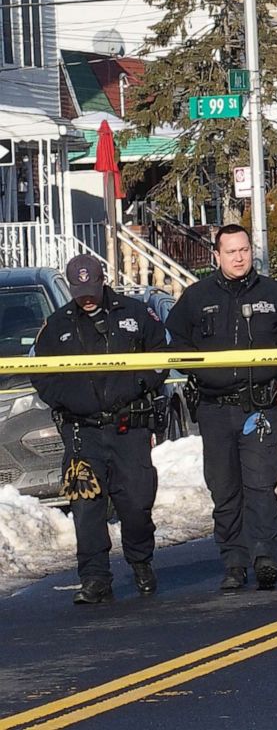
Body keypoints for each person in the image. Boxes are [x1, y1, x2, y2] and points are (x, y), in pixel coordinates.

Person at [166, 224, 277, 592]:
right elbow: (174, 342)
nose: (239, 257)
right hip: (215, 409)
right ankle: (234, 563)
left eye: (244, 250)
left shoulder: (274, 295)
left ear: (252, 252)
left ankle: (265, 557)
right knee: (225, 490)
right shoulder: (197, 297)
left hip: (260, 407)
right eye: (231, 251)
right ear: (216, 256)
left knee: (261, 485)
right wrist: (192, 364)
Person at [31, 254, 167, 604]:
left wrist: (140, 382)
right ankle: (94, 579)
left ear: (102, 280)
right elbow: (40, 375)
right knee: (86, 508)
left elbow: (161, 354)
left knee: (136, 504)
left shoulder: (134, 313)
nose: (86, 296)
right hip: (83, 432)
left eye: (91, 288)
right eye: (79, 290)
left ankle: (140, 561)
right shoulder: (57, 325)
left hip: (129, 427)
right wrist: (69, 400)